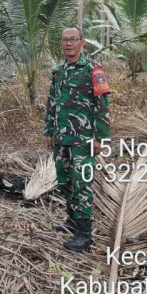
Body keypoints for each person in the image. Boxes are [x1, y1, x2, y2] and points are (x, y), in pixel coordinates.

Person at [43, 26, 111, 251]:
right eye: (65, 40)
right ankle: (72, 221)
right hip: (61, 138)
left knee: (82, 184)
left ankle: (84, 233)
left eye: (73, 39)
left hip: (83, 140)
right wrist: (48, 131)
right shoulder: (58, 71)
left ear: (82, 42)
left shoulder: (93, 69)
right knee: (65, 181)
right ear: (61, 43)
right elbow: (52, 102)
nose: (69, 43)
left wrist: (101, 138)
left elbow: (102, 105)